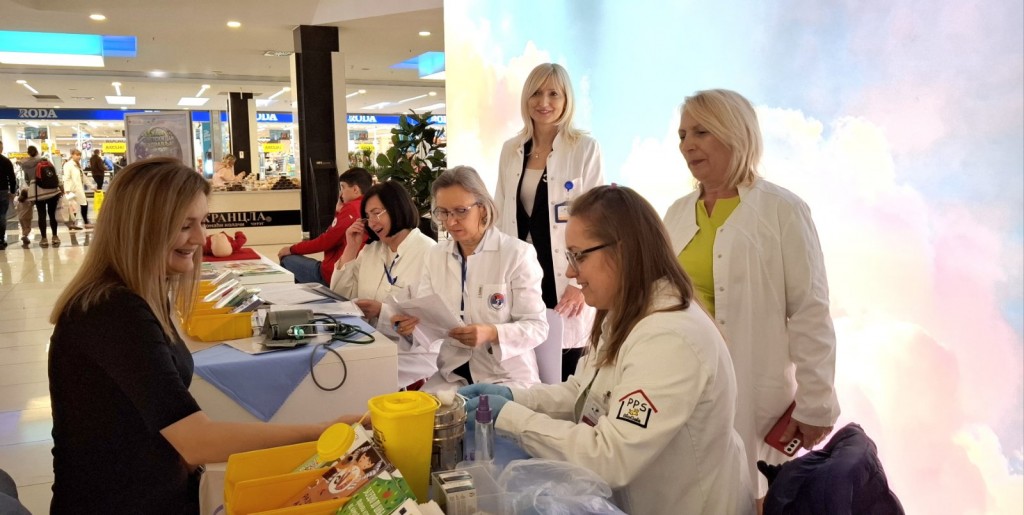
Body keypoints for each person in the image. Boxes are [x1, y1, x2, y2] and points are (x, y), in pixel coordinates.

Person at [47, 158, 364, 513]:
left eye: (202, 223)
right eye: (186, 226)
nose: (200, 239)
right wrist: (321, 431)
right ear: (141, 228)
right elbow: (195, 440)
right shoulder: (112, 310)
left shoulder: (142, 295)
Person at [461, 185, 754, 515]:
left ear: (623, 251)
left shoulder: (670, 338)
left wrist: (509, 417)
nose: (570, 272)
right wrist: (514, 397)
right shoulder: (624, 315)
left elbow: (611, 457)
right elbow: (583, 394)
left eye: (579, 256)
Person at [663, 89, 840, 498]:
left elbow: (810, 310)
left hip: (755, 395)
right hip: (683, 386)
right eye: (683, 135)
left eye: (701, 132)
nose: (687, 145)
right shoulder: (675, 213)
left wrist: (816, 403)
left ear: (735, 133)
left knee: (751, 493)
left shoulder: (783, 209)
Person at [391, 166, 548, 391]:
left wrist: (492, 333)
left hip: (505, 375)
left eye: (460, 211)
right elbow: (428, 319)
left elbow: (537, 327)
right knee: (418, 411)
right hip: (452, 373)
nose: (451, 222)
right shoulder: (435, 256)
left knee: (484, 410)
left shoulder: (516, 254)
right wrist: (410, 327)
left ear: (482, 208)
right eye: (443, 212)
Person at [495, 63, 604, 380]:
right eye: (536, 93)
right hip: (522, 273)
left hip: (566, 275)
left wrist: (579, 284)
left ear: (566, 99)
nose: (544, 102)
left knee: (566, 369)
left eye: (554, 94)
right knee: (525, 369)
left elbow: (599, 221)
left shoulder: (584, 149)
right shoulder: (511, 150)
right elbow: (501, 213)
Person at [330, 180, 439, 388]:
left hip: (412, 356)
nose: (372, 222)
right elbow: (340, 296)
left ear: (397, 209)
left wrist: (382, 312)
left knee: (352, 379)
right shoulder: (370, 251)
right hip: (369, 344)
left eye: (377, 213)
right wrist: (351, 248)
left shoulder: (430, 253)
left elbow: (432, 324)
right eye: (367, 216)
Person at [279, 167, 372, 286]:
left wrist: (292, 249)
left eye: (343, 187)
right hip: (358, 274)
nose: (341, 193)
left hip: (334, 275)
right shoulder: (369, 207)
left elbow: (326, 241)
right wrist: (338, 212)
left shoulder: (351, 209)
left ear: (355, 190)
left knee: (287, 259)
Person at [20, 146, 61, 247]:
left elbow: (27, 180)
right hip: (51, 191)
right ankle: (55, 236)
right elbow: (53, 174)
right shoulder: (45, 160)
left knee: (41, 214)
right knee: (52, 214)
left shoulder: (25, 165)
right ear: (37, 151)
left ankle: (44, 239)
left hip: (37, 193)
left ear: (28, 153)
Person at [61, 149, 88, 228]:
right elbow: (66, 178)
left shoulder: (78, 165)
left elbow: (83, 177)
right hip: (71, 189)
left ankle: (84, 221)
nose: (79, 156)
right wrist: (67, 189)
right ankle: (73, 223)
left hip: (78, 189)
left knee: (83, 204)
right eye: (77, 155)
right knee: (73, 207)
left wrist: (92, 186)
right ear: (72, 155)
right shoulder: (68, 165)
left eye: (80, 155)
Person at [0, 140, 16, 250]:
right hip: (3, 190)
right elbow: (12, 178)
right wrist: (13, 191)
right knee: (2, 215)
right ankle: (1, 239)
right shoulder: (6, 161)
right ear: (1, 149)